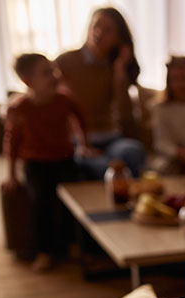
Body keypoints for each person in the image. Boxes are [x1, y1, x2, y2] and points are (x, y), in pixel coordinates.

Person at [2, 53, 91, 271]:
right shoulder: (20, 108)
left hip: (64, 159)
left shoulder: (64, 100)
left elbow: (81, 119)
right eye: (46, 73)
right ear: (27, 81)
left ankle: (72, 245)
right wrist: (11, 174)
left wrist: (83, 144)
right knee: (40, 203)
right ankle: (44, 251)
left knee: (71, 201)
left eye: (53, 70)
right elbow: (11, 144)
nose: (54, 76)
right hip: (36, 163)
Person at [55, 6, 146, 179]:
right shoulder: (65, 62)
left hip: (111, 139)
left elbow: (126, 116)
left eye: (108, 30)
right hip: (79, 141)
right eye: (96, 25)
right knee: (106, 168)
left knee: (134, 151)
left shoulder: (114, 67)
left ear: (118, 39)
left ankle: (132, 202)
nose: (99, 33)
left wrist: (120, 72)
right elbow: (40, 90)